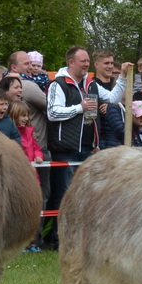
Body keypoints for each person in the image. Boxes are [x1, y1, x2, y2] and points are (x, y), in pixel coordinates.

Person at [42, 46, 97, 247]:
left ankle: (78, 238)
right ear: (71, 62)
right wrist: (79, 108)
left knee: (84, 194)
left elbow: (111, 99)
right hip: (64, 147)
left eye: (88, 60)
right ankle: (56, 238)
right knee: (63, 195)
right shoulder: (58, 84)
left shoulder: (90, 85)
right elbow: (53, 113)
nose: (86, 64)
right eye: (83, 60)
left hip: (86, 147)